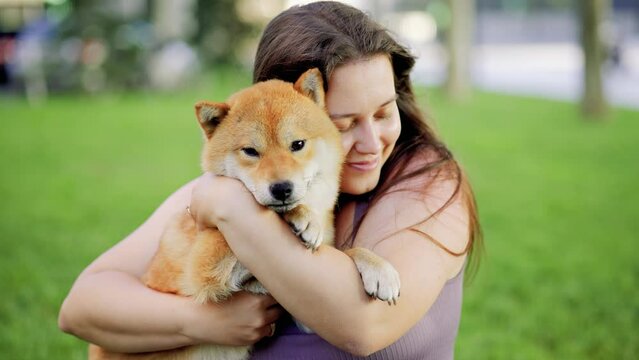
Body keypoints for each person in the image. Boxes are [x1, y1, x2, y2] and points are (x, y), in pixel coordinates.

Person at [58, 1, 482, 359]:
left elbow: (363, 324)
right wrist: (202, 323)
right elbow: (79, 308)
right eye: (344, 123)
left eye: (384, 111)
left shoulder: (427, 183)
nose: (372, 142)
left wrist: (228, 208)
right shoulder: (233, 186)